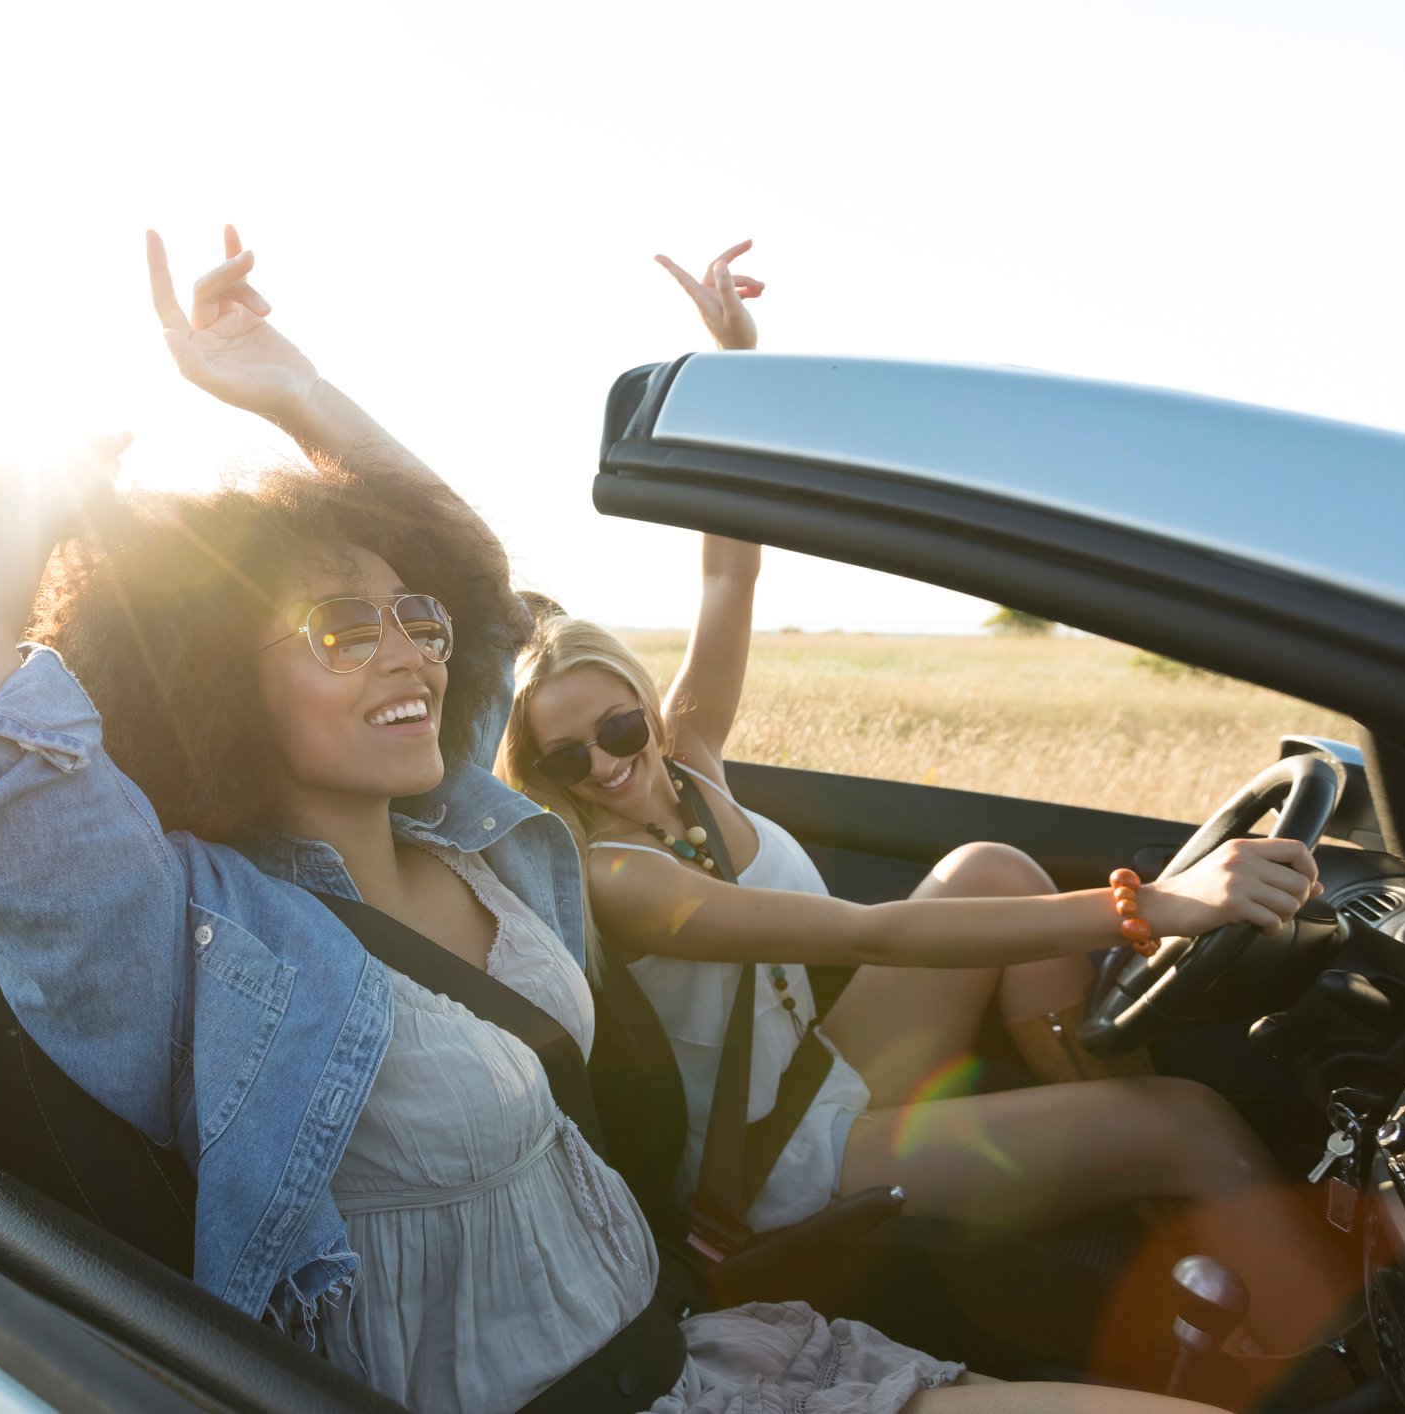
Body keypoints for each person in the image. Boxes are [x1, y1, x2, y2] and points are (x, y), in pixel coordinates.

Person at [0, 225, 1234, 1413]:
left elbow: (481, 577)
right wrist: (77, 455)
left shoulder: (486, 844)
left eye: (412, 615)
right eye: (338, 623)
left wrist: (289, 386)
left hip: (706, 1354)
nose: (410, 649)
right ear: (206, 669)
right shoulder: (181, 934)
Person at [493, 241, 1355, 1361]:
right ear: (542, 774)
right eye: (565, 760)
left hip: (816, 1076)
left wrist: (735, 367)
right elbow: (874, 930)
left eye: (616, 729)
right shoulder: (620, 875)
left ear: (646, 709)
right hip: (776, 1163)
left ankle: (1105, 1133)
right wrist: (1154, 906)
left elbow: (728, 573)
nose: (605, 768)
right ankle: (1330, 1359)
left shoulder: (688, 754)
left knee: (992, 862)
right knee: (1189, 1117)